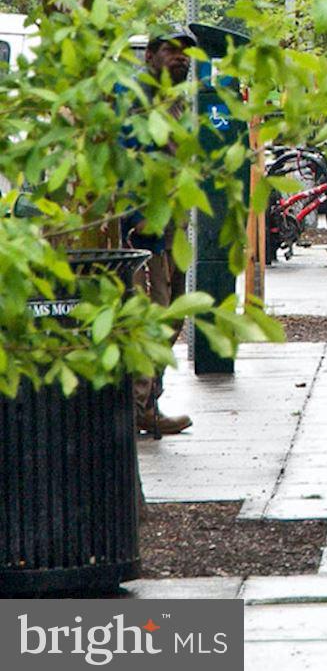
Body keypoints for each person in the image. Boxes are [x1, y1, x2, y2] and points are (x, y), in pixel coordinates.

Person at [124, 31, 195, 438]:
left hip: (171, 232)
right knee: (151, 317)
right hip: (142, 235)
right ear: (150, 55)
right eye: (171, 51)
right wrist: (135, 218)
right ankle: (139, 408)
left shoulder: (175, 100)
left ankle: (150, 401)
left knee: (171, 317)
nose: (180, 59)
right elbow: (123, 157)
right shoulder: (136, 97)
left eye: (185, 54)